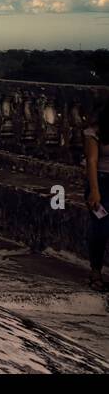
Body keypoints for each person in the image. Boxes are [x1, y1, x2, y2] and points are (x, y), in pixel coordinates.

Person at [85, 118, 109, 290]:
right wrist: (95, 191)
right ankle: (96, 272)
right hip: (102, 183)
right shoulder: (94, 132)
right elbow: (91, 161)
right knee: (100, 229)